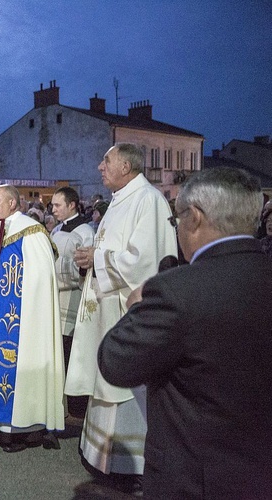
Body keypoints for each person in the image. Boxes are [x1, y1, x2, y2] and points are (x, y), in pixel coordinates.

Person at [97, 167, 272, 499]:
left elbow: (115, 361)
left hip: (196, 477)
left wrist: (136, 305)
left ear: (194, 218)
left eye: (177, 220)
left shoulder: (176, 291)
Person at [66, 143, 177, 493]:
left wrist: (97, 257)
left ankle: (132, 465)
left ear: (126, 166)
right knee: (105, 379)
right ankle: (101, 456)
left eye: (106, 161)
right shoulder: (120, 199)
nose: (100, 167)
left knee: (127, 385)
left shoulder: (148, 200)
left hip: (127, 311)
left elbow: (145, 261)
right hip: (105, 308)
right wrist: (93, 257)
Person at [0, 184, 65, 452]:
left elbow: (42, 277)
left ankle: (18, 429)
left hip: (19, 320)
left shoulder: (31, 231)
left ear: (12, 204)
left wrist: (4, 268)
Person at [49, 186, 94, 420]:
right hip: (55, 300)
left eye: (58, 205)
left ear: (72, 205)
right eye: (53, 205)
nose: (53, 209)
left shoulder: (86, 232)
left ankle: (78, 409)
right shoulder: (56, 229)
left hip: (74, 300)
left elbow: (84, 268)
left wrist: (52, 271)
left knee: (73, 354)